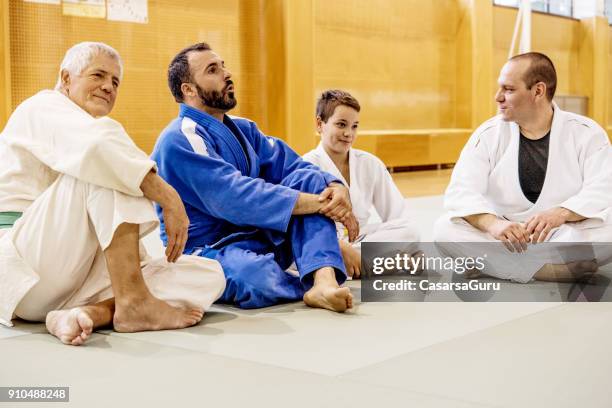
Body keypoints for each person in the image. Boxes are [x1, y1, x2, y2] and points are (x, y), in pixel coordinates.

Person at [0, 42, 226, 345]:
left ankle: (90, 313)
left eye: (115, 82)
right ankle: (133, 302)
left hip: (70, 279)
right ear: (66, 79)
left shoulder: (96, 135)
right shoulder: (41, 106)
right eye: (98, 76)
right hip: (24, 269)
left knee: (207, 274)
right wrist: (169, 198)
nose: (108, 87)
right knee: (106, 163)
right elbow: (97, 149)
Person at [152, 43, 358, 312]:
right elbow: (235, 196)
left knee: (310, 181)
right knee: (255, 277)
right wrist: (323, 205)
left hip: (256, 236)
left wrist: (335, 187)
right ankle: (319, 260)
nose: (227, 74)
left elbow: (292, 166)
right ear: (188, 90)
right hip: (207, 251)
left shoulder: (243, 128)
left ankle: (323, 279)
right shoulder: (179, 139)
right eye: (213, 70)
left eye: (224, 66)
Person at [434, 52, 612, 283]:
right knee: (444, 229)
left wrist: (562, 213)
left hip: (562, 232)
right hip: (505, 236)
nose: (498, 97)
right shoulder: (488, 134)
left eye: (508, 89)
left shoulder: (586, 132)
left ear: (538, 91)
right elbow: (461, 190)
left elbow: (604, 186)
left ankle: (492, 264)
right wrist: (493, 224)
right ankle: (543, 270)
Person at [303, 90, 420, 279]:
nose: (348, 133)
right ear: (320, 124)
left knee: (410, 231)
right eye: (341, 124)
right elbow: (301, 229)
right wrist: (338, 246)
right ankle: (377, 264)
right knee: (299, 251)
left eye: (354, 126)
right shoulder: (306, 166)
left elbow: (397, 216)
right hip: (326, 244)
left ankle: (357, 264)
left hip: (360, 241)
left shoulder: (370, 163)